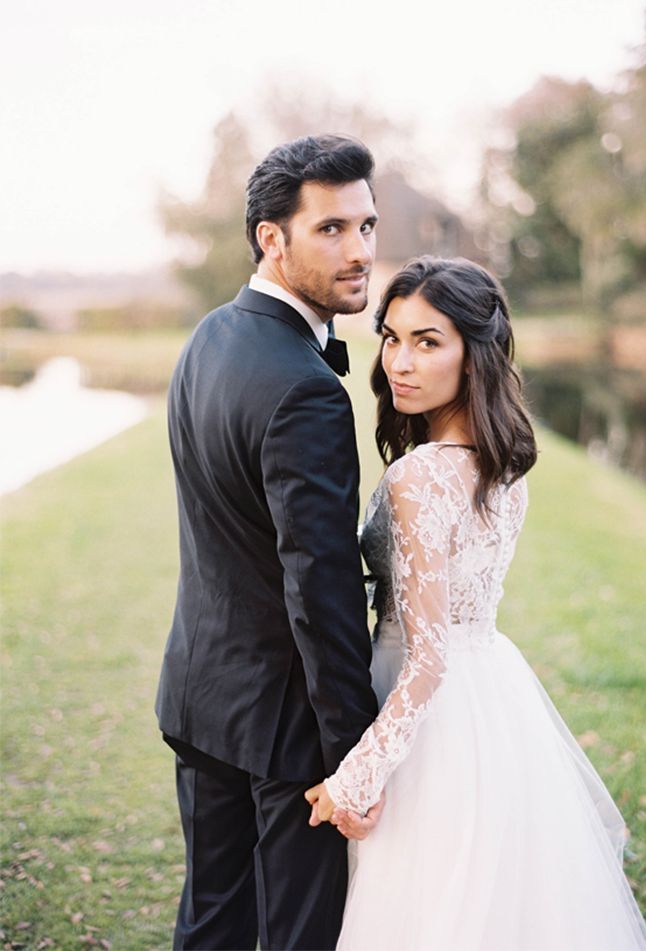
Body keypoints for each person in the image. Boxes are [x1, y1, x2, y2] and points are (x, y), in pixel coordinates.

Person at [305, 256, 646, 950]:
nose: (399, 361)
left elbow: (428, 659)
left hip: (425, 709)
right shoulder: (501, 463)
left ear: (476, 354)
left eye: (427, 341)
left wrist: (358, 775)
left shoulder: (420, 475)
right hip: (490, 695)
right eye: (392, 336)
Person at [155, 134, 383, 951]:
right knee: (298, 934)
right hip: (286, 732)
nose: (359, 250)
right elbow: (319, 590)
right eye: (332, 229)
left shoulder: (208, 338)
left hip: (198, 693)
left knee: (211, 924)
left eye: (366, 225)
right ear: (271, 237)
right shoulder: (306, 392)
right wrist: (356, 754)